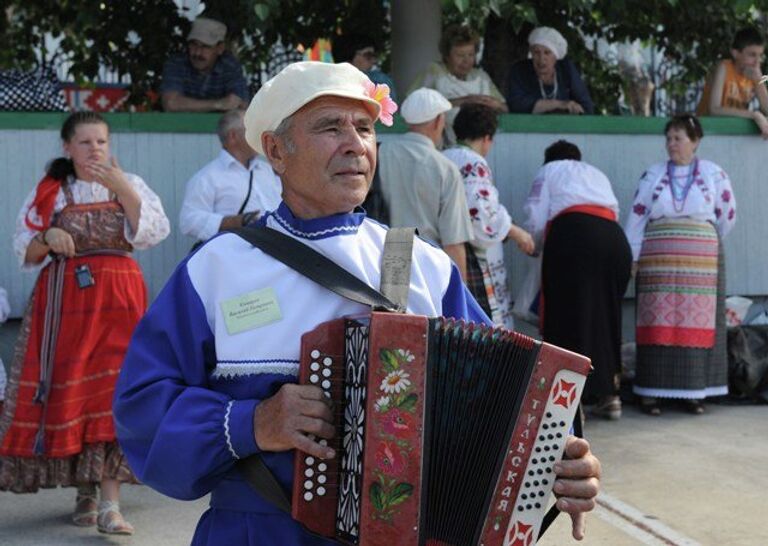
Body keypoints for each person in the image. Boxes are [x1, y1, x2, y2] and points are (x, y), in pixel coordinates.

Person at [112, 61, 601, 546]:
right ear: (276, 150)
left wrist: (560, 465)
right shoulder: (218, 267)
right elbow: (142, 413)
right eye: (331, 127)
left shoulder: (420, 265)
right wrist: (254, 422)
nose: (355, 144)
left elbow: (503, 405)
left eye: (365, 128)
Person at [0, 112, 170, 535]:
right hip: (69, 304)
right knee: (77, 391)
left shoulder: (129, 182)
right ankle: (85, 490)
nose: (95, 149)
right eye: (86, 142)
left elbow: (153, 231)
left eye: (101, 141)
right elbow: (26, 247)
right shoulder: (51, 192)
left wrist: (123, 189)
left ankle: (110, 504)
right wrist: (48, 238)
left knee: (115, 392)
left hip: (119, 302)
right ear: (67, 147)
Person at [624, 114, 736, 416]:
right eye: (669, 138)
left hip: (701, 260)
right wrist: (633, 256)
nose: (672, 144)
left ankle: (694, 393)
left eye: (679, 138)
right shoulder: (653, 175)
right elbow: (636, 216)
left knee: (697, 324)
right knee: (656, 322)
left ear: (695, 141)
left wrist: (704, 237)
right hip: (658, 259)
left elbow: (727, 214)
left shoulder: (714, 174)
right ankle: (650, 393)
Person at [523, 140, 631, 420]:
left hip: (573, 235)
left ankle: (571, 405)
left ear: (549, 159)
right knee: (606, 318)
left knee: (566, 316)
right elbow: (614, 209)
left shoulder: (549, 171)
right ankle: (610, 394)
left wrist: (533, 246)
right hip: (614, 239)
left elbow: (536, 215)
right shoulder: (596, 174)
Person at [443, 103, 534, 329]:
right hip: (474, 255)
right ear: (487, 138)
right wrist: (516, 232)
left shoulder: (443, 157)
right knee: (483, 322)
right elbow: (480, 215)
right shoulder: (474, 162)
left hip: (443, 246)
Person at [378, 87, 474, 279]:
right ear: (439, 121)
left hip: (379, 261)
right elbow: (453, 242)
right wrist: (460, 300)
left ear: (407, 120)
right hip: (427, 268)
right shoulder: (445, 169)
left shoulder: (379, 153)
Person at [179, 109, 282, 246]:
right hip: (235, 252)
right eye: (251, 130)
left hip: (276, 248)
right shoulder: (207, 177)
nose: (258, 136)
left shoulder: (267, 170)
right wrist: (234, 222)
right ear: (233, 136)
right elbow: (188, 221)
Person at [410, 25, 508, 143]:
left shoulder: (481, 77)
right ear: (447, 56)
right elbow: (412, 104)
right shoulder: (434, 72)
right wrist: (462, 101)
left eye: (471, 55)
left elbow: (505, 108)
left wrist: (493, 104)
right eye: (460, 56)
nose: (466, 61)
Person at [161, 17, 249, 112]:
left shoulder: (229, 66)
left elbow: (241, 104)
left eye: (205, 46)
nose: (197, 52)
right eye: (194, 44)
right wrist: (219, 104)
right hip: (179, 126)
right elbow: (171, 104)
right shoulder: (177, 63)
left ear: (220, 48)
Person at [696, 26, 768, 138]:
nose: (757, 62)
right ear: (735, 53)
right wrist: (754, 115)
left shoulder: (753, 74)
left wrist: (759, 80)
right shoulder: (724, 67)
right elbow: (714, 109)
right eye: (752, 55)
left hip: (732, 133)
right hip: (706, 132)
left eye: (760, 55)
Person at [507, 26, 594, 115]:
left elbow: (586, 107)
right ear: (531, 54)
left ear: (556, 56)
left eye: (547, 52)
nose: (541, 59)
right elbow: (515, 105)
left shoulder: (566, 69)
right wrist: (560, 104)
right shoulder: (520, 70)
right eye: (536, 52)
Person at [331, 31, 397, 102]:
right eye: (368, 55)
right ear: (348, 55)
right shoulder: (378, 81)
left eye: (374, 55)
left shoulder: (327, 82)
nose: (373, 60)